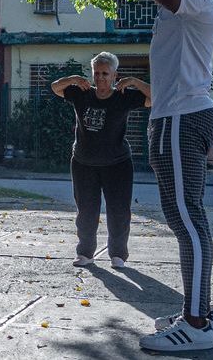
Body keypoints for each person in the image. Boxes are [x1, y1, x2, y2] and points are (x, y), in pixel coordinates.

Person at [136, 0, 213, 352]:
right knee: (185, 220)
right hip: (174, 118)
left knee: (189, 221)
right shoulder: (179, 7)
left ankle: (196, 323)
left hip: (182, 118)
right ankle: (198, 310)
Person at [51, 52, 151, 270]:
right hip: (83, 163)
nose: (100, 78)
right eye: (97, 73)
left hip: (118, 165)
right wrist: (73, 79)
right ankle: (85, 253)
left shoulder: (124, 96)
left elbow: (156, 97)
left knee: (119, 211)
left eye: (105, 73)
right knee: (86, 211)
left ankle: (118, 255)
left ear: (115, 75)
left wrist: (134, 82)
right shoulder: (82, 93)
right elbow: (55, 87)